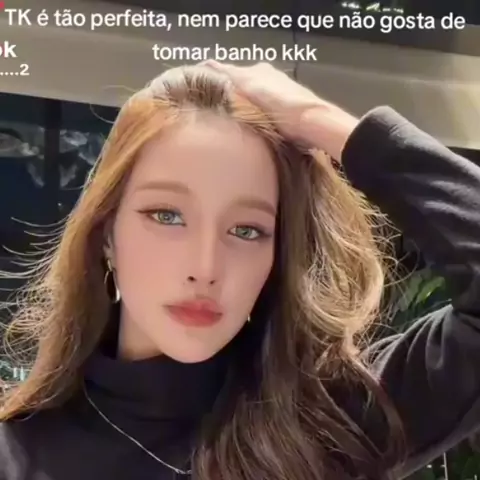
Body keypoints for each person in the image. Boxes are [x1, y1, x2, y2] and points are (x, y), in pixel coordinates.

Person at [0, 61, 479, 480]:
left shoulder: (338, 423)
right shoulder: (17, 454)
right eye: (167, 216)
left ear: (277, 254)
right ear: (107, 233)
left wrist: (321, 122)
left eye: (247, 230)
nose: (205, 268)